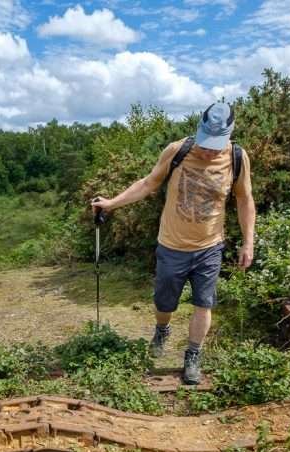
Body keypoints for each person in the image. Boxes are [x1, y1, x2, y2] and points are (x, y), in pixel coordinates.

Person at [90, 102, 256, 384]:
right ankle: (162, 329)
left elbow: (244, 199)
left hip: (210, 246)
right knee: (164, 303)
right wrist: (112, 204)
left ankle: (193, 355)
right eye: (205, 142)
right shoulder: (177, 150)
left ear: (228, 135)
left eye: (215, 145)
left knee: (204, 303)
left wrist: (248, 242)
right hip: (172, 245)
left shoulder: (238, 158)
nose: (208, 150)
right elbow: (148, 183)